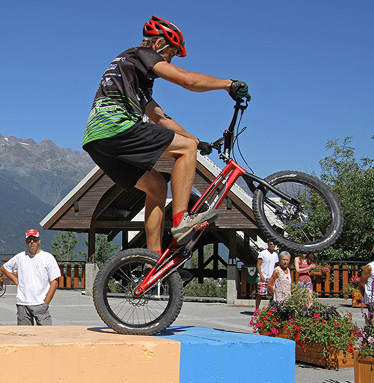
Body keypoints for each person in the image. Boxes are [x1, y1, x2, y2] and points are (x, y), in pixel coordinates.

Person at [82, 15, 250, 255]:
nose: (169, 60)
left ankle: (153, 259)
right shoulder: (142, 53)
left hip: (97, 142)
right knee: (185, 150)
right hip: (115, 127)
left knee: (158, 187)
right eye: (171, 54)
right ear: (159, 44)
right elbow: (187, 80)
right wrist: (228, 84)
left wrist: (195, 140)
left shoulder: (132, 78)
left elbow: (161, 119)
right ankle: (182, 221)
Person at [0, 229, 61, 325]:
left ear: (39, 241)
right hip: (23, 304)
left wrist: (46, 303)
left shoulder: (48, 257)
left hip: (40, 304)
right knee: (24, 337)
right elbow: (4, 268)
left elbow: (55, 281)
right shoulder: (20, 257)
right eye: (29, 240)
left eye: (34, 239)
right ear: (26, 242)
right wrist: (15, 280)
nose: (32, 242)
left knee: (46, 335)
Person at [255, 240, 278, 310]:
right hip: (264, 275)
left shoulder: (275, 254)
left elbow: (274, 265)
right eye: (271, 244)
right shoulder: (263, 253)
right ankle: (257, 308)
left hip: (271, 276)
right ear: (268, 245)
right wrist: (261, 275)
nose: (272, 246)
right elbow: (258, 264)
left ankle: (271, 308)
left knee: (272, 292)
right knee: (261, 293)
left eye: (273, 245)